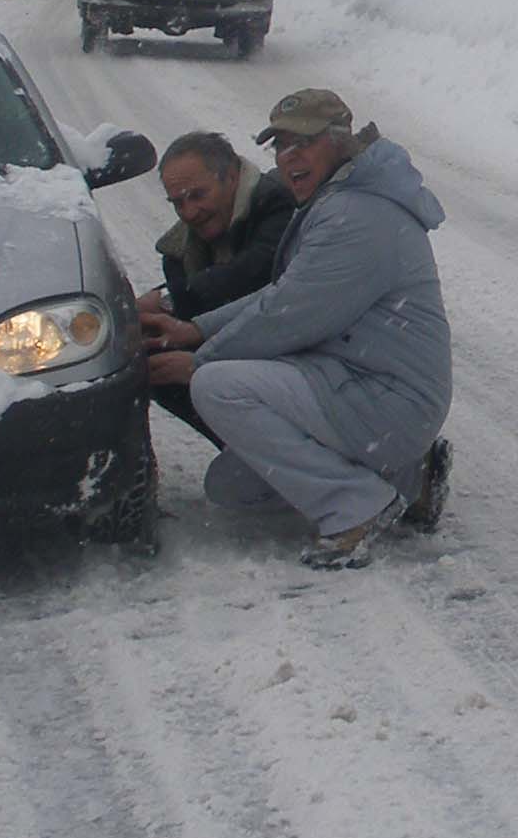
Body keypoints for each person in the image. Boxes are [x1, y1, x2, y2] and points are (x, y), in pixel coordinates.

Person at [142, 89, 455, 567]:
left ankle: (355, 506)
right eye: (280, 146)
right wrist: (196, 330)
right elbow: (285, 292)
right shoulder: (339, 198)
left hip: (386, 397)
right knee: (231, 487)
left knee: (218, 387)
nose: (289, 158)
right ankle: (409, 479)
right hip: (361, 385)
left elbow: (289, 314)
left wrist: (200, 360)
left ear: (339, 141)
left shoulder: (358, 215)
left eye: (302, 144)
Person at [137, 131, 297, 445]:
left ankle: (281, 456)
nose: (188, 212)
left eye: (198, 195)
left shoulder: (278, 201)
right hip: (248, 349)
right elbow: (196, 306)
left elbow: (255, 275)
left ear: (233, 177)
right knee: (155, 359)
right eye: (178, 202)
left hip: (297, 350)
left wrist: (168, 301)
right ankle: (248, 454)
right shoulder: (179, 250)